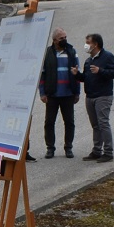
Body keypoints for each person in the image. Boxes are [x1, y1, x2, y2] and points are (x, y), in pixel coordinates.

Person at [39, 27, 82, 159]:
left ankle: (68, 147)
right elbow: (42, 75)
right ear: (55, 40)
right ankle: (50, 148)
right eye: (61, 38)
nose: (64, 40)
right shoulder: (47, 53)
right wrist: (42, 93)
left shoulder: (71, 52)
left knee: (69, 122)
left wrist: (77, 92)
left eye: (65, 37)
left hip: (68, 94)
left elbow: (77, 73)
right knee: (49, 122)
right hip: (52, 94)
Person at [82, 32, 114, 162]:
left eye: (88, 43)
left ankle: (108, 152)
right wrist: (77, 75)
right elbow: (86, 77)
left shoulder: (107, 57)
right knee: (95, 125)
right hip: (90, 96)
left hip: (103, 96)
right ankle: (97, 150)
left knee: (103, 123)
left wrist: (101, 71)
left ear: (95, 44)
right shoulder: (89, 61)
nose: (86, 45)